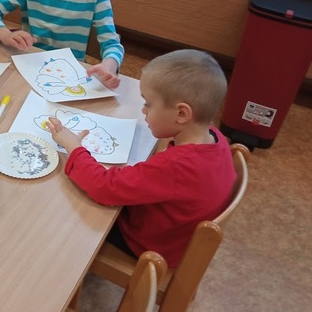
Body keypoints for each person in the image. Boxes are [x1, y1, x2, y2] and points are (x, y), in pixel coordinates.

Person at [47, 49, 236, 267]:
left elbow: (104, 188)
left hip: (150, 246)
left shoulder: (176, 166)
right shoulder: (215, 137)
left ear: (182, 114)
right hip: (175, 235)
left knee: (63, 211)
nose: (143, 110)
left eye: (148, 104)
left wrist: (73, 146)